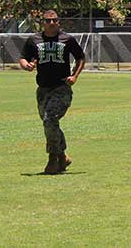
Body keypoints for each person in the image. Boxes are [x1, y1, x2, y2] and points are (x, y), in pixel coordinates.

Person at [19, 10, 85, 175]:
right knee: (50, 123)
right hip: (42, 89)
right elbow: (23, 57)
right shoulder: (34, 40)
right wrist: (26, 65)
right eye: (48, 21)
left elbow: (81, 57)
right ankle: (63, 156)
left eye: (54, 20)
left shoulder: (67, 39)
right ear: (42, 22)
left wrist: (74, 76)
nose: (51, 23)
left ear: (59, 22)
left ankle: (53, 158)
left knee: (50, 119)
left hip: (61, 88)